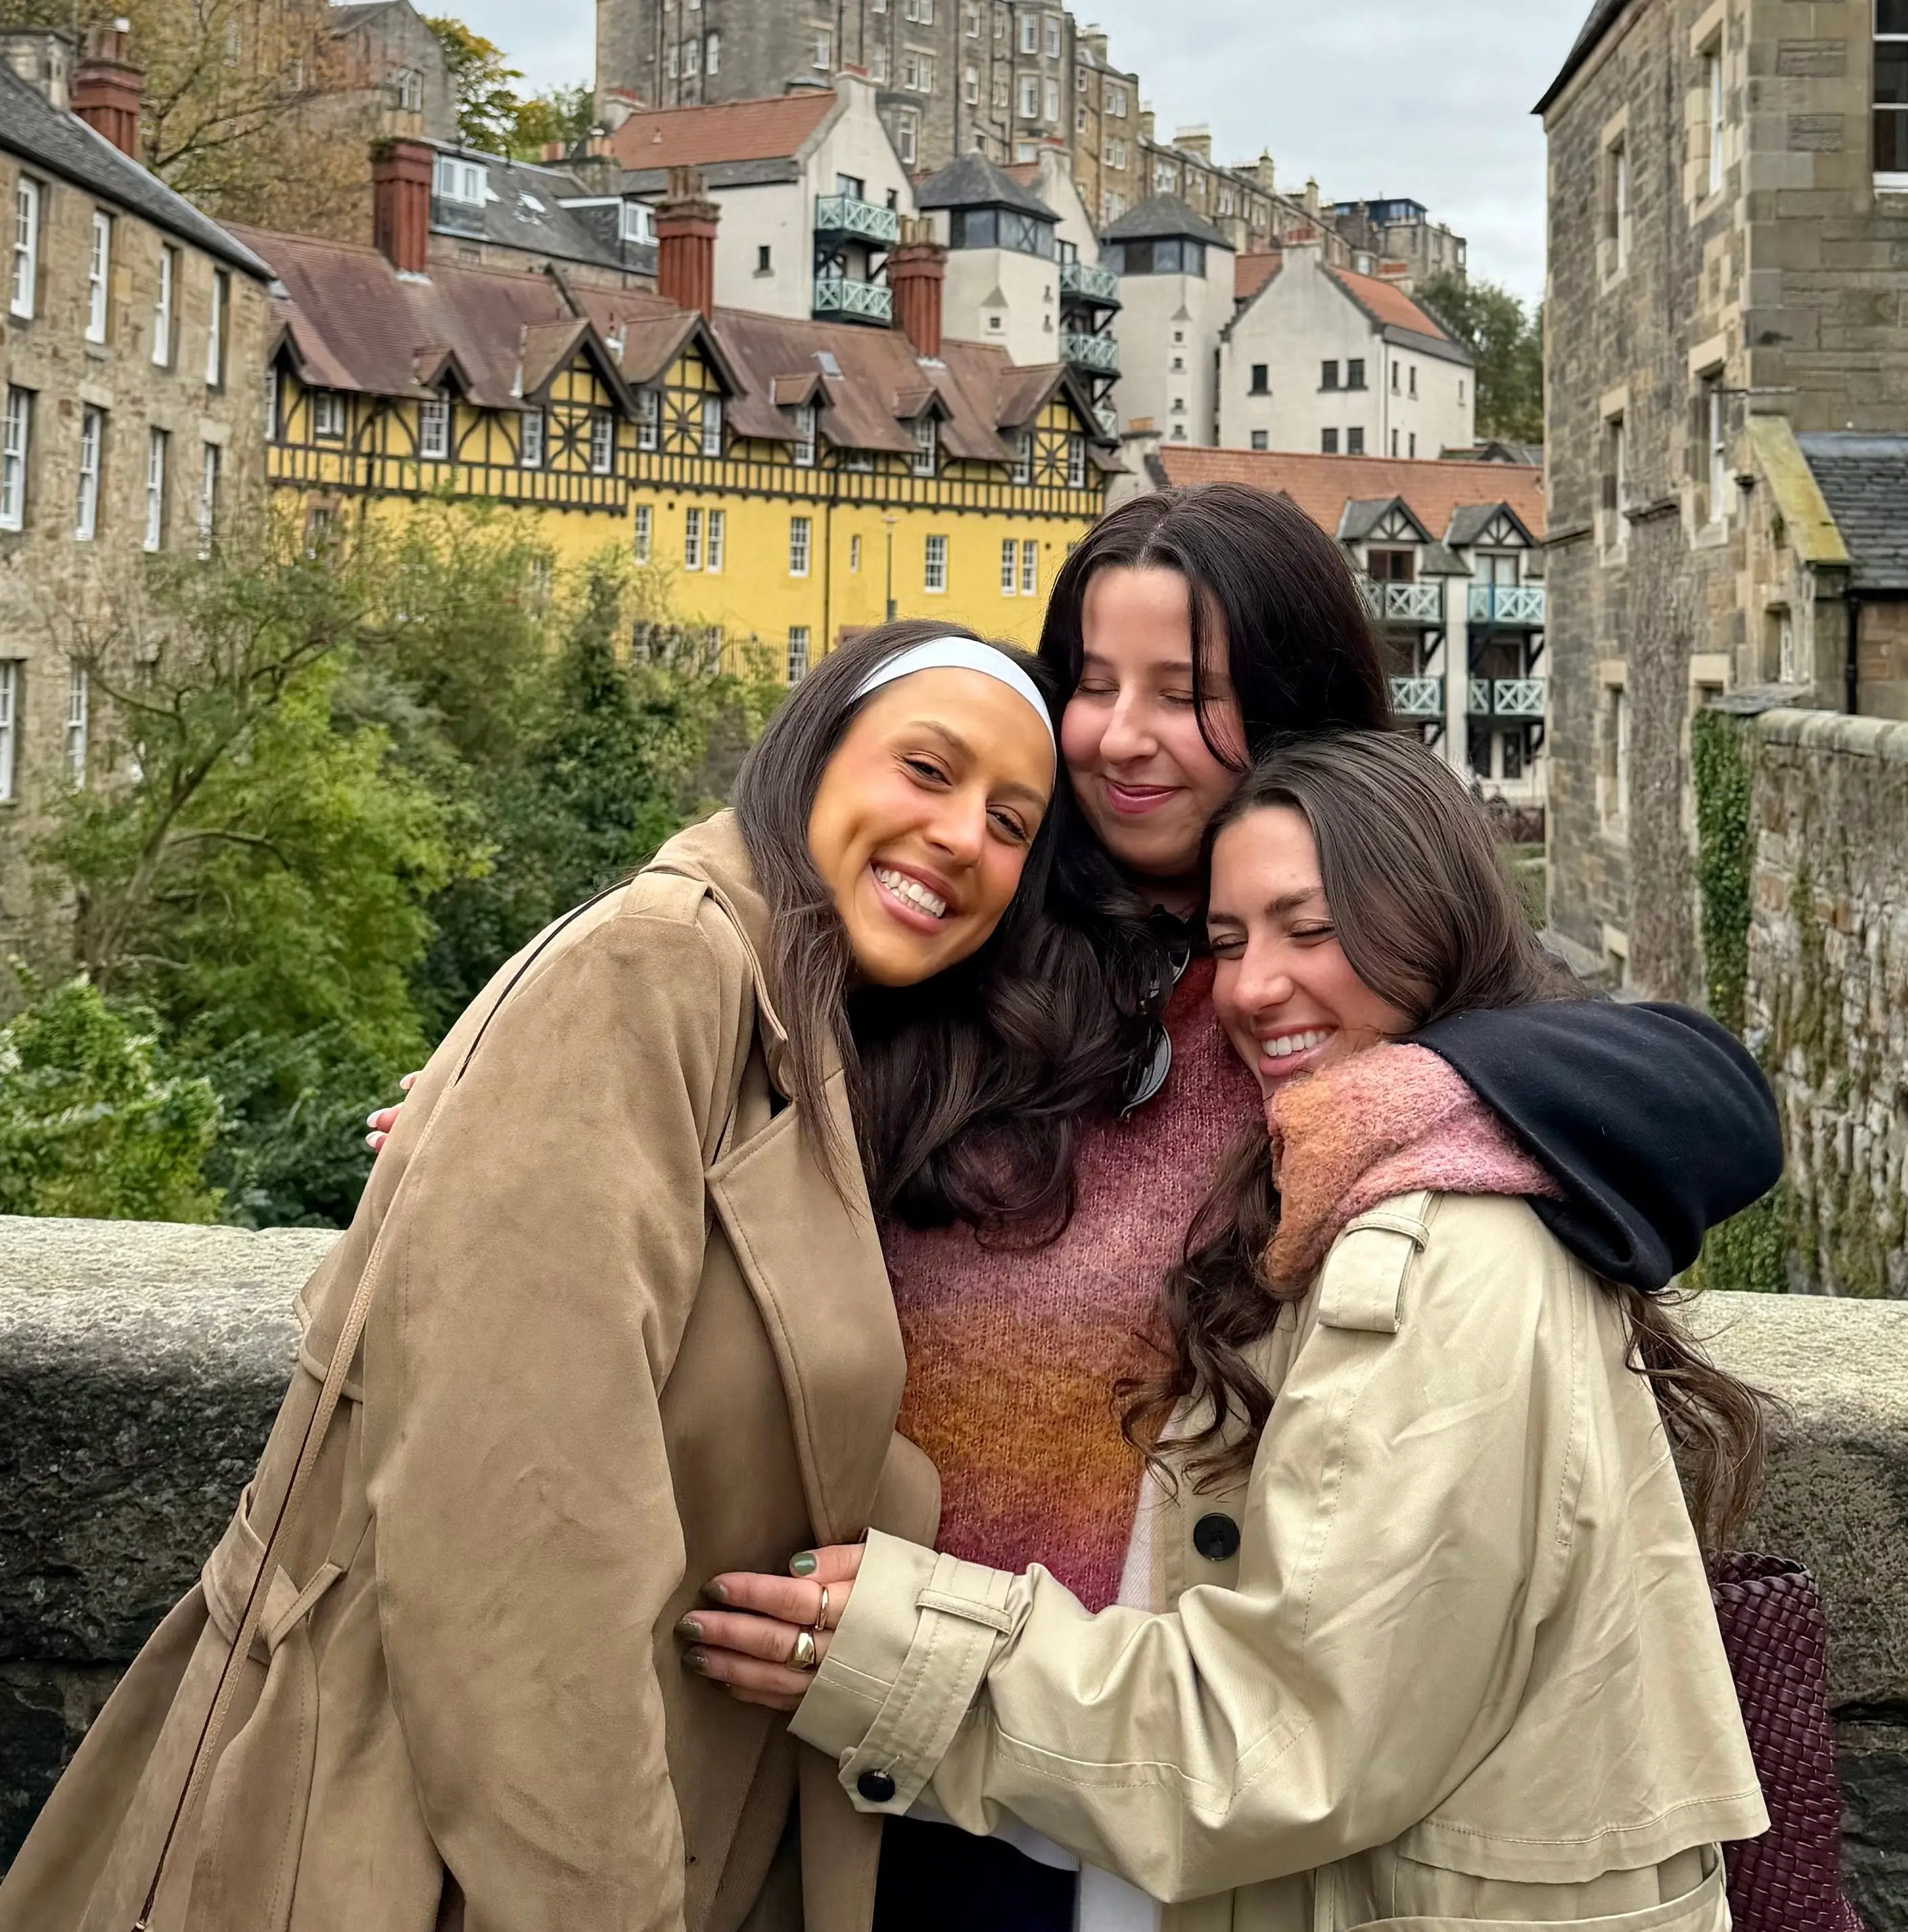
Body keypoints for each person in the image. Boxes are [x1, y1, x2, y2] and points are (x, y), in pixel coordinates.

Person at [359, 485, 1783, 1926]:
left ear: (1289, 701)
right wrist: (541, 1103)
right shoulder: (972, 927)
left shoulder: (1351, 991)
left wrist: (1408, 1101)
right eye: (1090, 681)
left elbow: (1700, 1099)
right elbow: (733, 949)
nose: (1118, 733)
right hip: (853, 1725)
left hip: (1147, 1776)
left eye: (1187, 691)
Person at [0, 624, 1142, 1932]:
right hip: (411, 1848)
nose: (961, 837)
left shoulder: (796, 1028)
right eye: (927, 770)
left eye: (1011, 821)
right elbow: (522, 1523)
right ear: (812, 756)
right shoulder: (655, 967)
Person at [690, 729, 1776, 1931]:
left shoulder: (1443, 1248)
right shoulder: (1419, 1172)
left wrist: (898, 1655)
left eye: (1310, 931)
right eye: (1228, 941)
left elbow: (1289, 1738)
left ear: (1436, 920)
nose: (1255, 989)